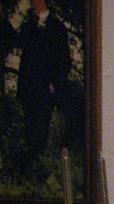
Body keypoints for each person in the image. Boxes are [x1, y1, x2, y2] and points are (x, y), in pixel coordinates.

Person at [16, 0, 71, 163]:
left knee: (41, 125)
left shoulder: (57, 27)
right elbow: (20, 45)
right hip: (29, 86)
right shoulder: (29, 25)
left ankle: (38, 160)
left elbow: (64, 59)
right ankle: (30, 162)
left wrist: (54, 83)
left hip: (45, 88)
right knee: (30, 124)